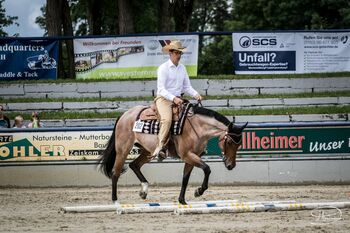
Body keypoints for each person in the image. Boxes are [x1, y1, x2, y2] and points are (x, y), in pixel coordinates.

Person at [153, 40, 203, 161]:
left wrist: (196, 95)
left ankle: (194, 147)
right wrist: (174, 98)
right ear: (170, 53)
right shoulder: (163, 68)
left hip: (179, 99)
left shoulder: (182, 68)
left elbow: (186, 86)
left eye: (180, 53)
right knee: (167, 120)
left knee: (192, 117)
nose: (179, 55)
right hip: (164, 99)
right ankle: (160, 148)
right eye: (176, 53)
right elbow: (161, 89)